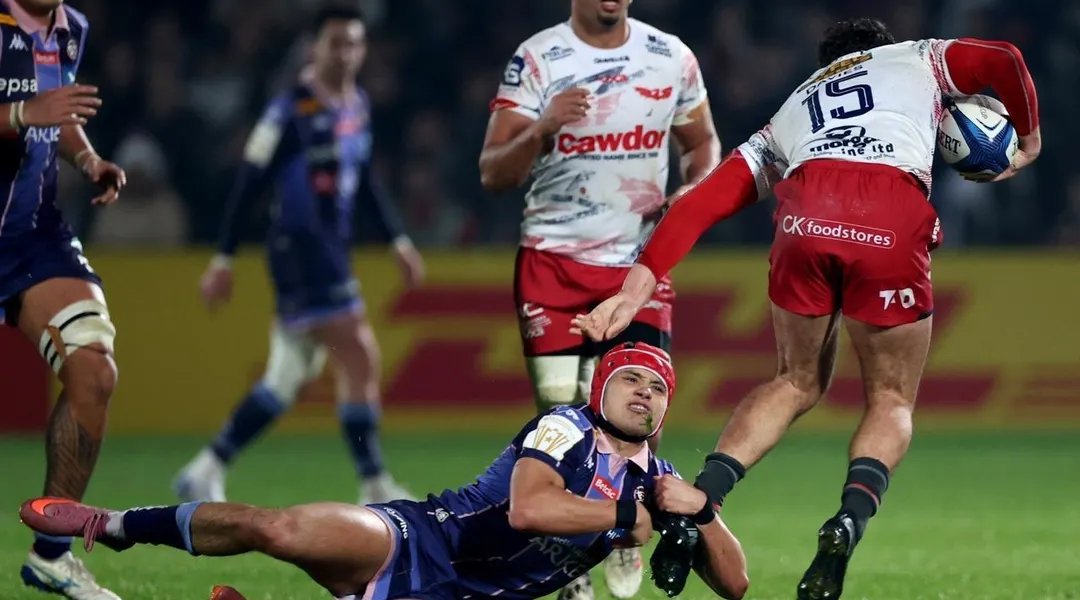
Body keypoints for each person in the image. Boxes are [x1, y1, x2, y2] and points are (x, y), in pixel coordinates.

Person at [573, 18, 1040, 600]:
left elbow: (698, 205)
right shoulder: (917, 56)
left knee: (794, 381)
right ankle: (849, 519)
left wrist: (630, 292)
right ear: (882, 47)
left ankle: (702, 500)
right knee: (891, 398)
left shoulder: (794, 108)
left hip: (806, 215)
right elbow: (1004, 59)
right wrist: (1030, 137)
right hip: (888, 211)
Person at [22, 343, 750, 600]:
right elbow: (529, 509)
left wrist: (701, 509)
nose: (643, 392)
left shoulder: (664, 483)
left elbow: (737, 584)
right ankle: (112, 523)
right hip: (422, 539)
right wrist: (628, 517)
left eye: (657, 388)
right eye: (629, 379)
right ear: (601, 391)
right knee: (278, 529)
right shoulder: (566, 427)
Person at [478, 0, 721, 596]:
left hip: (639, 266)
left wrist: (693, 188)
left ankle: (627, 528)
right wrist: (542, 128)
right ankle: (573, 563)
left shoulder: (671, 57)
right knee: (561, 423)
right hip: (553, 265)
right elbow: (493, 173)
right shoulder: (538, 59)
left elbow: (703, 144)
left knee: (641, 412)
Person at [172, 6, 425, 506]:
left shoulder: (357, 105)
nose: (345, 53)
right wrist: (223, 258)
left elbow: (365, 179)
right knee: (359, 355)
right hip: (300, 250)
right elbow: (250, 181)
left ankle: (205, 468)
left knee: (285, 379)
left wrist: (397, 239)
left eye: (353, 43)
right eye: (336, 43)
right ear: (313, 48)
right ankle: (375, 484)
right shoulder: (288, 109)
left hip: (331, 250)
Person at [0, 0, 128, 597]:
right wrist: (23, 112)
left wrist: (86, 157)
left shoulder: (71, 28)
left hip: (32, 240)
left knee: (93, 370)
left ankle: (51, 553)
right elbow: (35, 110)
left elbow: (58, 112)